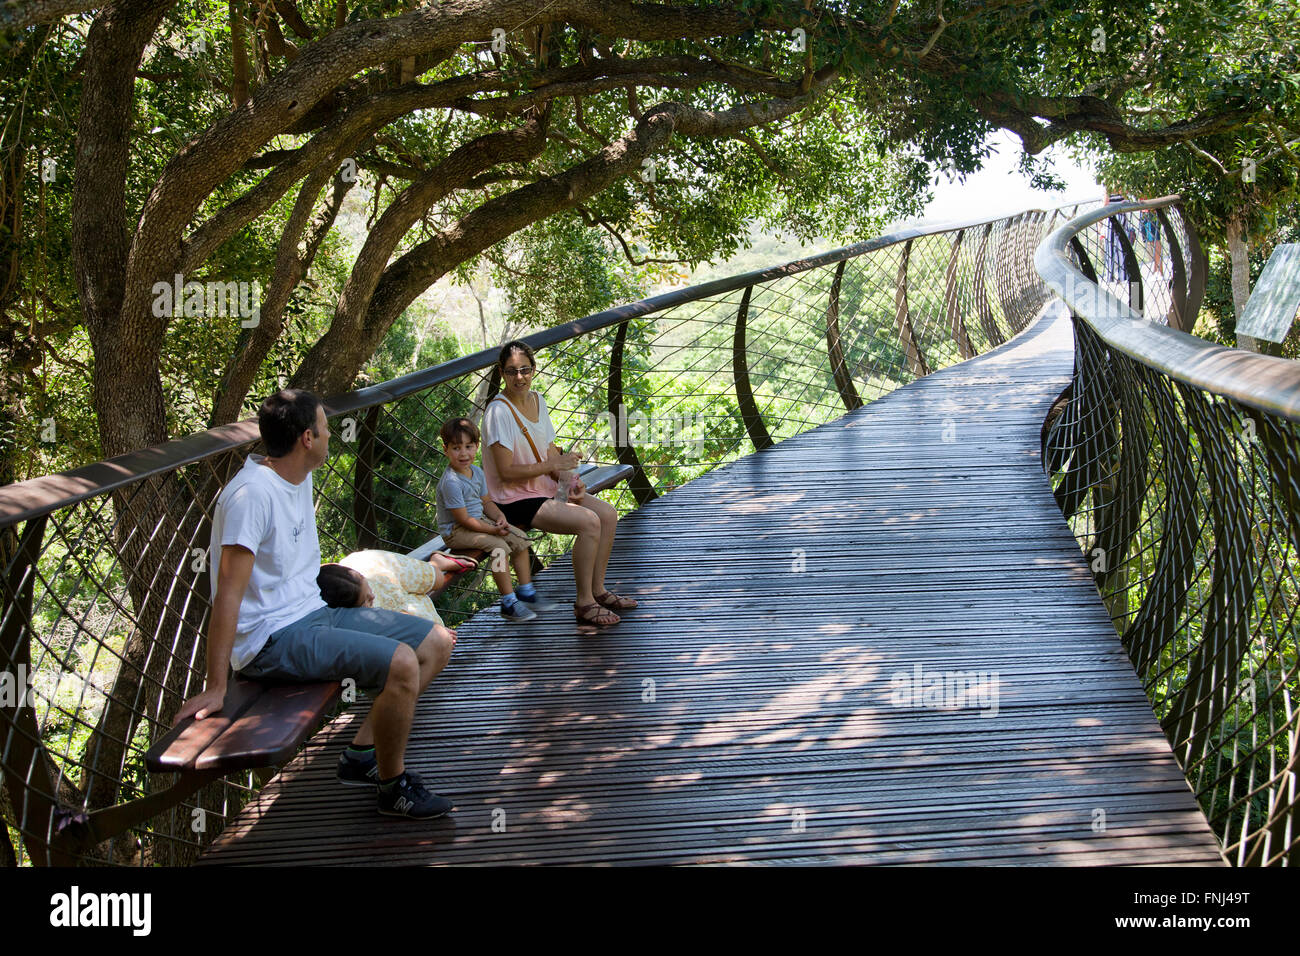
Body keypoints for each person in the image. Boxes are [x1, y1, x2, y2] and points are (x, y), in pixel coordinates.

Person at [175, 389, 456, 819]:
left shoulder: (297, 476)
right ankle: (392, 787)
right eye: (325, 430)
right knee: (402, 661)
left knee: (436, 642)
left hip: (313, 613)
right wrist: (216, 685)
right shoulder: (250, 497)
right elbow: (228, 595)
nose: (331, 437)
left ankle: (362, 755)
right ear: (307, 438)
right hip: (269, 640)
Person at [481, 340, 637, 627]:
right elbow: (505, 472)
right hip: (513, 501)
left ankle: (598, 591)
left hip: (543, 489)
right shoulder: (498, 412)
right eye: (512, 371)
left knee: (607, 514)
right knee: (589, 522)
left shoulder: (537, 400)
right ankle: (584, 603)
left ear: (534, 369)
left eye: (525, 370)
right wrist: (554, 465)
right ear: (502, 373)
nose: (519, 377)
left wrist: (567, 477)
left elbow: (549, 452)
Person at [435, 416, 541, 622]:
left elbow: (487, 502)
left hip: (479, 522)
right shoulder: (451, 482)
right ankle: (509, 602)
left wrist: (500, 518)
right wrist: (492, 530)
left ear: (476, 446)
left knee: (520, 539)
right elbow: (463, 520)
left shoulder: (476, 471)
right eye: (456, 448)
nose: (464, 453)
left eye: (469, 446)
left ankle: (526, 591)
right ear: (445, 449)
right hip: (457, 531)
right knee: (500, 548)